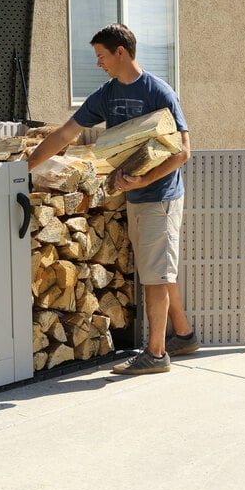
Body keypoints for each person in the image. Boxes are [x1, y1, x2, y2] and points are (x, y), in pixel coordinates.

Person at [27, 23, 199, 375]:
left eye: (101, 56)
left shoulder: (158, 91)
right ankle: (183, 335)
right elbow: (66, 132)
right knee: (159, 270)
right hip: (137, 198)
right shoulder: (107, 94)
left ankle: (155, 354)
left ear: (121, 52)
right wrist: (26, 165)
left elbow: (183, 152)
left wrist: (142, 180)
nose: (98, 63)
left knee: (154, 275)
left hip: (160, 198)